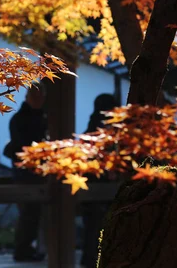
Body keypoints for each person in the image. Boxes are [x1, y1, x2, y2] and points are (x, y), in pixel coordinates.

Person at [6, 84, 48, 262]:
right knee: (28, 214)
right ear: (28, 97)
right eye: (35, 96)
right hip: (26, 173)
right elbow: (22, 145)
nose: (39, 100)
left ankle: (27, 249)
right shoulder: (21, 119)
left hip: (39, 172)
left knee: (33, 214)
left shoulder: (41, 117)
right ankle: (23, 249)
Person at [80, 93, 117, 268]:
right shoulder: (110, 132)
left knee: (92, 228)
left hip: (89, 184)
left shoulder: (89, 131)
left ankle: (89, 260)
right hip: (104, 186)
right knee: (104, 226)